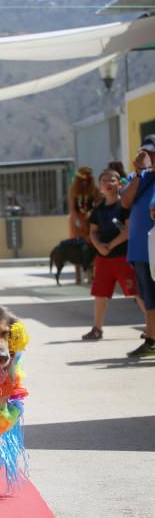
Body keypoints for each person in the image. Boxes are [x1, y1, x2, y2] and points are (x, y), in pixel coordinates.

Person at [82, 169, 145, 340]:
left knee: (136, 291)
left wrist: (110, 245)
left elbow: (128, 231)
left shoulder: (125, 206)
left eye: (112, 180)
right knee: (100, 294)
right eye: (104, 180)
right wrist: (99, 246)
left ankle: (151, 327)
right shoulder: (98, 209)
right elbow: (92, 231)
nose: (108, 183)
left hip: (123, 256)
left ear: (119, 183)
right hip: (103, 259)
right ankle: (97, 329)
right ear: (100, 186)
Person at [121, 134, 155, 358]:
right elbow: (124, 202)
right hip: (142, 250)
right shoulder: (138, 177)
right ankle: (151, 340)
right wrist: (139, 173)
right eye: (144, 152)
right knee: (148, 296)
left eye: (151, 152)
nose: (147, 156)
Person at [68, 166, 100, 283]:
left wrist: (91, 218)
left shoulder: (94, 189)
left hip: (91, 220)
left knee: (91, 246)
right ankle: (77, 276)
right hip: (77, 221)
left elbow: (97, 205)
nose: (85, 182)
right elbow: (72, 208)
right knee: (77, 247)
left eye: (87, 180)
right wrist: (77, 221)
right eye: (82, 180)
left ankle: (91, 274)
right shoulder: (73, 190)